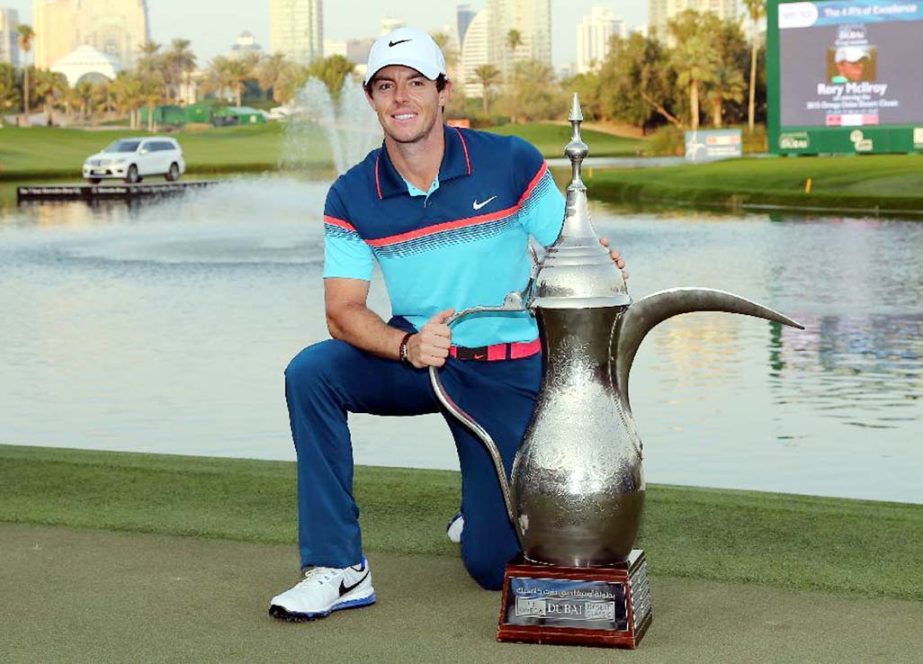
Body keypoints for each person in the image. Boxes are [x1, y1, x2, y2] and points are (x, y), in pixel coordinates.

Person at [268, 27, 628, 622]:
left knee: (493, 568)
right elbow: (343, 311)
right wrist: (406, 346)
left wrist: (599, 263)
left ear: (442, 91)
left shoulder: (509, 161)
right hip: (423, 359)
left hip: (505, 368)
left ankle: (480, 509)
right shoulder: (353, 193)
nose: (400, 97)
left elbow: (566, 251)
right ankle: (337, 566)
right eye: (385, 86)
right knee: (312, 374)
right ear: (372, 99)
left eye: (414, 83)